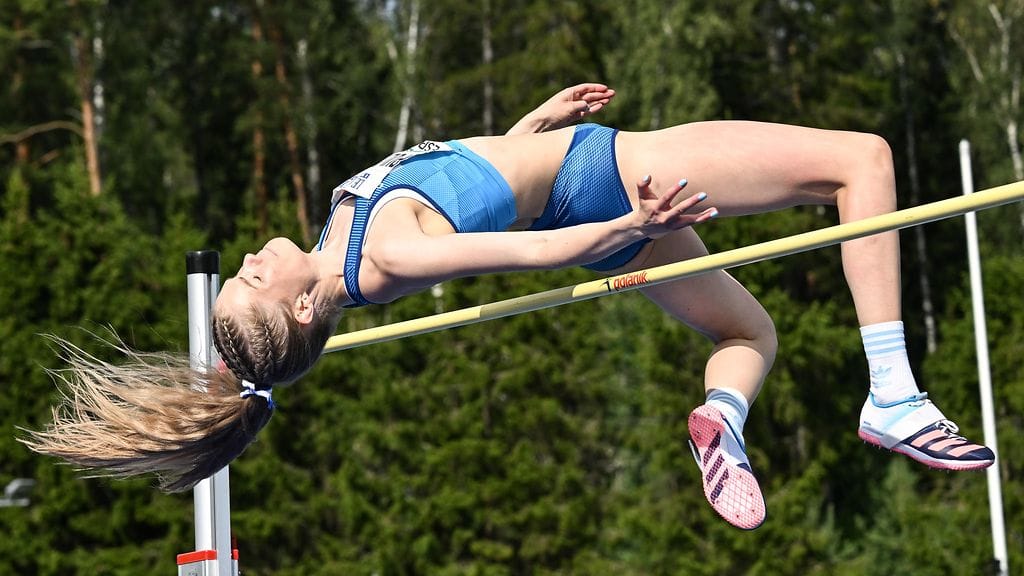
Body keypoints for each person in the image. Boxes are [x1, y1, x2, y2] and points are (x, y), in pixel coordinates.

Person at [23, 83, 994, 531]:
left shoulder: (337, 234)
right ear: (303, 312)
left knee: (748, 333)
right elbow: (525, 249)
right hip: (611, 182)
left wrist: (529, 128)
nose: (246, 258)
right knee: (860, 162)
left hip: (583, 183)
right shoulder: (383, 258)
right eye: (248, 281)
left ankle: (722, 419)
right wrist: (627, 222)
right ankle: (893, 394)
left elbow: (466, 177)